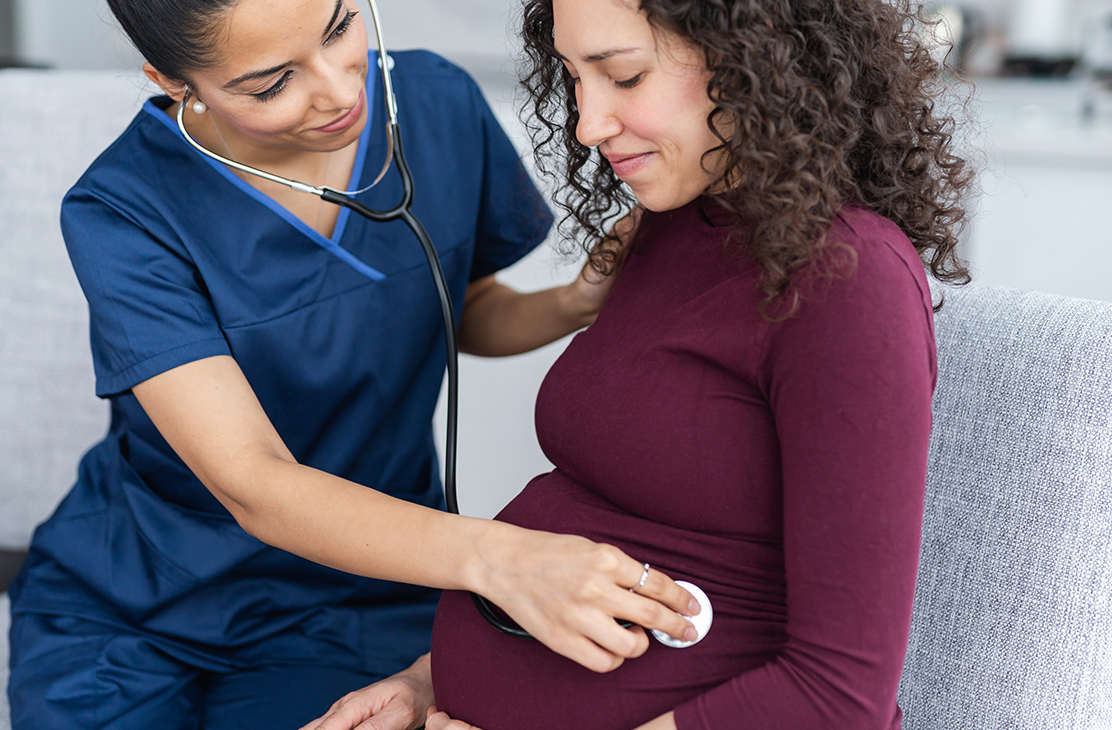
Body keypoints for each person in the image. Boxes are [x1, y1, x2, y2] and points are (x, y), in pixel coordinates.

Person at [3, 0, 704, 727]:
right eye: (272, 84)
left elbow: (461, 309)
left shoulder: (437, 106)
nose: (340, 91)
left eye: (339, 28)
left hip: (364, 589)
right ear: (176, 84)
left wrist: (573, 301)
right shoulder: (124, 210)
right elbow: (254, 482)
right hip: (143, 595)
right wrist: (503, 559)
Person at [304, 0, 975, 728]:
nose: (589, 125)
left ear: (756, 57)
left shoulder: (848, 279)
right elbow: (618, 523)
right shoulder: (677, 222)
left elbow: (836, 698)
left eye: (623, 76)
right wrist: (428, 681)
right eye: (573, 77)